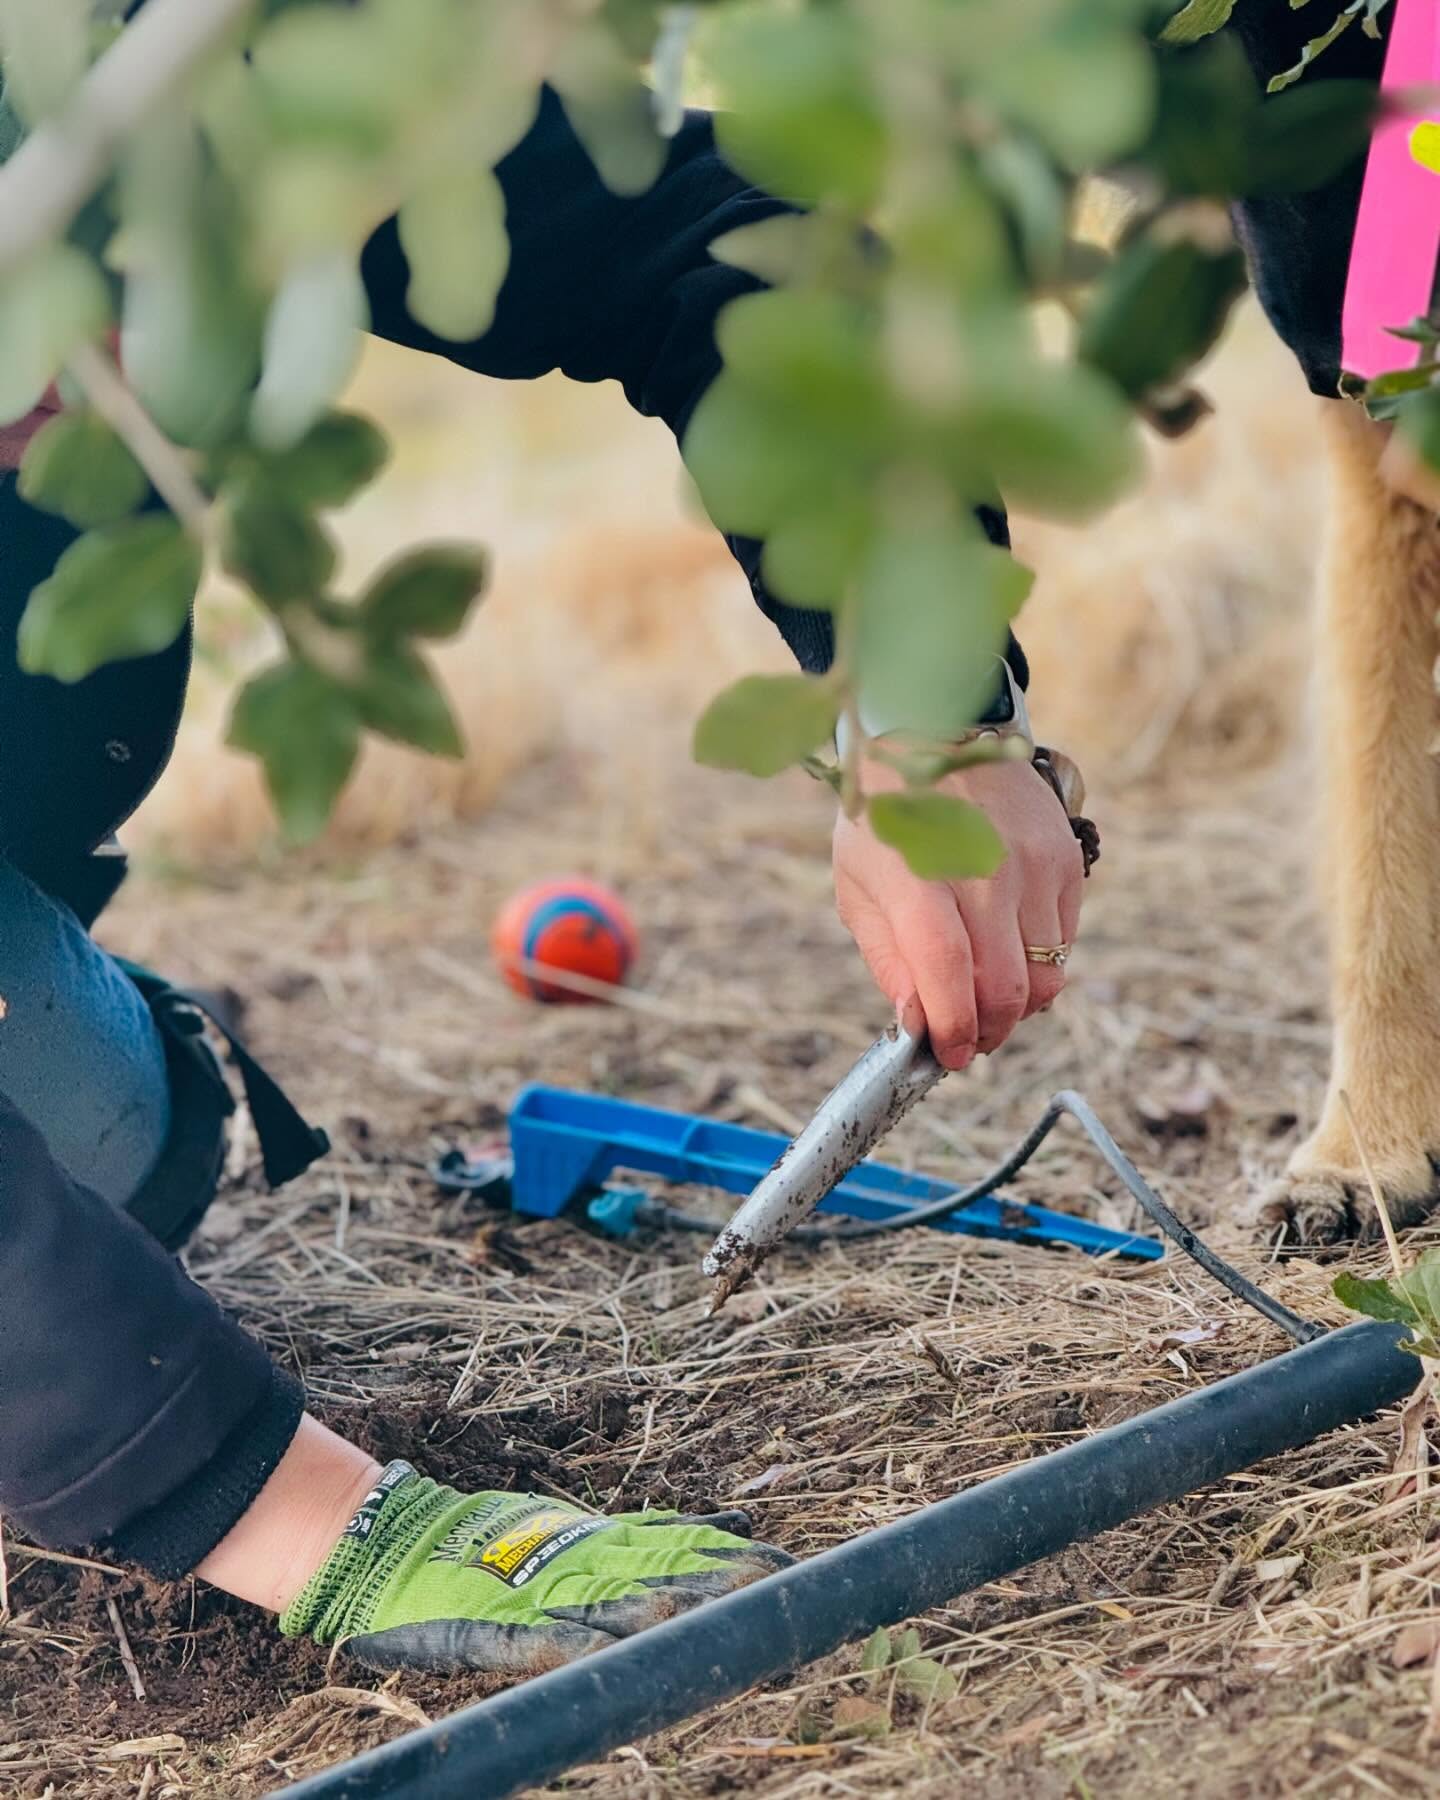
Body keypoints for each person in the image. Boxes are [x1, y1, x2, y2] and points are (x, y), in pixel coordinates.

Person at [0, 84, 1085, 1672]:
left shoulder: (167, 69)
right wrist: (314, 1520)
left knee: (107, 1131)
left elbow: (705, 228)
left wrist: (925, 712)